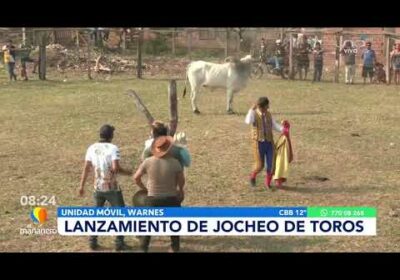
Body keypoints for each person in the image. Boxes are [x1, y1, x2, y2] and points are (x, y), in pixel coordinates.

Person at [78, 124, 133, 251]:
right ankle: (119, 243)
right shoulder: (113, 148)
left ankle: (92, 241)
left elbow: (86, 168)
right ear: (111, 136)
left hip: (98, 187)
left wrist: (81, 186)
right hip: (112, 188)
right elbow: (115, 168)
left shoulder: (91, 148)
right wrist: (128, 172)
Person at [134, 135, 185, 252]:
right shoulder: (175, 163)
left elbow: (136, 177)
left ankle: (143, 248)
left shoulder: (148, 161)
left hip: (152, 199)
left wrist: (144, 188)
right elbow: (182, 180)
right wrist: (180, 190)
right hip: (171, 198)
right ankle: (174, 247)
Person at [245, 97, 289, 189]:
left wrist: (283, 130)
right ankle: (253, 176)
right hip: (258, 143)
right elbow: (248, 121)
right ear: (260, 107)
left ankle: (268, 184)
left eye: (267, 107)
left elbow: (274, 125)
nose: (267, 109)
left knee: (271, 164)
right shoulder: (254, 114)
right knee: (260, 165)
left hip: (269, 142)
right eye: (266, 107)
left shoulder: (268, 114)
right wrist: (251, 110)